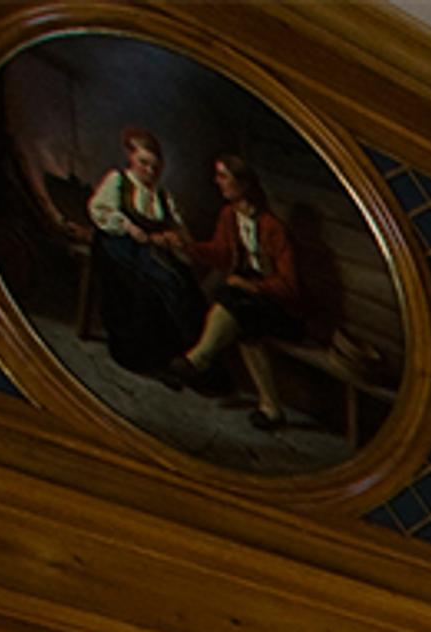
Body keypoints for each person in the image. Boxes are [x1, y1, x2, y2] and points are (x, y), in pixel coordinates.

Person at [183, 153, 305, 430]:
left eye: (223, 176)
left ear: (243, 183)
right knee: (240, 312)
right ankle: (271, 409)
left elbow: (289, 286)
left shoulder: (273, 228)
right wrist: (188, 246)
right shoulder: (229, 215)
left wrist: (252, 286)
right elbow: (221, 254)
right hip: (250, 303)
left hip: (281, 306)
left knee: (235, 302)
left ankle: (198, 359)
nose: (217, 182)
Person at [81, 126, 198, 378]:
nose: (149, 171)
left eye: (155, 167)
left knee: (183, 282)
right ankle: (137, 356)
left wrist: (173, 237)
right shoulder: (118, 181)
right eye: (143, 163)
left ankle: (178, 357)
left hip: (151, 251)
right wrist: (127, 227)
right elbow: (99, 210)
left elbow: (178, 228)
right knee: (145, 285)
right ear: (131, 158)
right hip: (117, 247)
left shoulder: (163, 196)